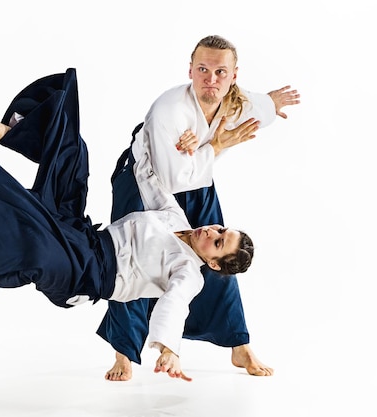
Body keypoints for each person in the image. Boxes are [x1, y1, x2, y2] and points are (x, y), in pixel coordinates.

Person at [0, 68, 260, 381]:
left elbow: (173, 307)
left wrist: (169, 350)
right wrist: (149, 134)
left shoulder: (188, 274)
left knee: (34, 247)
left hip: (83, 275)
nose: (211, 232)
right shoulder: (177, 219)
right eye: (220, 230)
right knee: (72, 157)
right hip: (84, 235)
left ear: (213, 262)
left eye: (217, 242)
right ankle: (0, 133)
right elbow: (149, 178)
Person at [98, 35, 301, 381]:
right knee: (131, 260)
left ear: (233, 76)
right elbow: (171, 180)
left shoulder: (235, 102)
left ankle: (239, 344)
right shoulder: (170, 109)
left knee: (220, 254)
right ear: (190, 70)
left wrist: (270, 103)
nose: (211, 79)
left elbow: (257, 110)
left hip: (197, 177)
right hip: (145, 179)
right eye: (203, 70)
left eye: (221, 72)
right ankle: (124, 353)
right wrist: (216, 145)